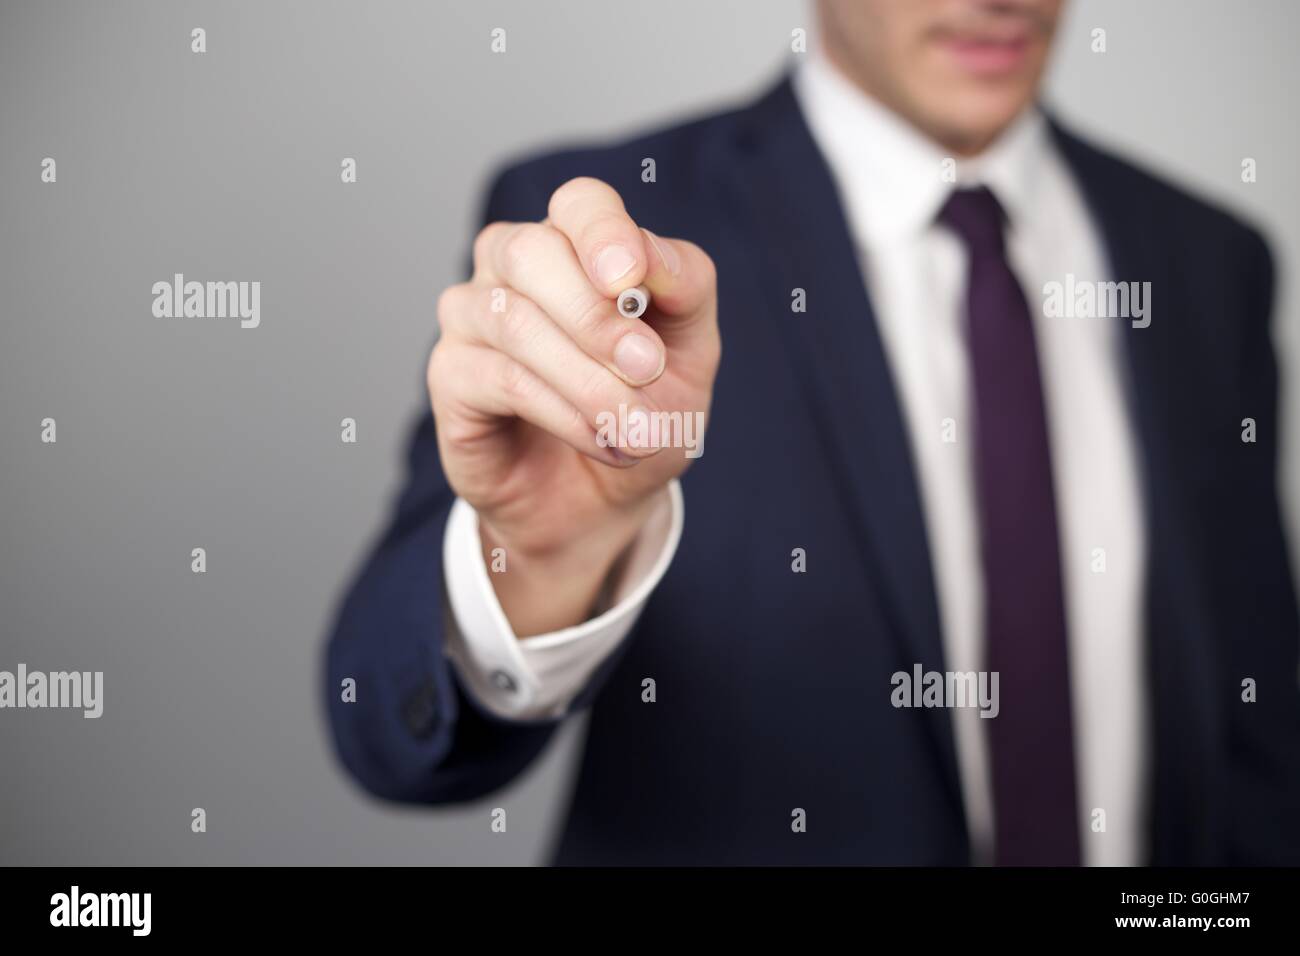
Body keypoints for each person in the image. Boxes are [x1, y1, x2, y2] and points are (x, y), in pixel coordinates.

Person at [324, 0, 1300, 865]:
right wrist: (541, 557)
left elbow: (1258, 703)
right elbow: (385, 718)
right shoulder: (616, 238)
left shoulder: (1206, 262)